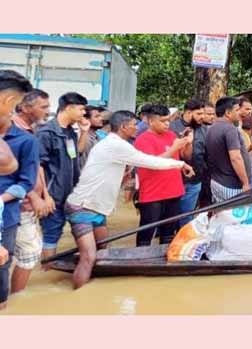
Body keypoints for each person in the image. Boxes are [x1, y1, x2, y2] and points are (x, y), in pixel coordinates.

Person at [65, 111, 193, 288]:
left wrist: (126, 179)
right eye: (134, 124)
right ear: (124, 127)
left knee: (103, 251)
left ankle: (95, 291)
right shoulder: (116, 145)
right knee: (89, 257)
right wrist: (180, 163)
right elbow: (151, 162)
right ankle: (77, 298)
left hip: (97, 208)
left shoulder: (115, 144)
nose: (137, 127)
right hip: (83, 207)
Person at [0, 69, 37, 311]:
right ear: (9, 101)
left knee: (3, 266)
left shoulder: (25, 141)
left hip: (7, 216)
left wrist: (2, 199)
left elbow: (27, 182)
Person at [10, 89, 53, 294]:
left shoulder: (30, 131)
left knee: (23, 252)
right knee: (28, 252)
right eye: (43, 107)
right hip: (16, 204)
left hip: (27, 203)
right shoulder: (14, 132)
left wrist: (45, 193)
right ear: (25, 108)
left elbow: (37, 167)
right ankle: (15, 299)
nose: (48, 111)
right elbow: (13, 171)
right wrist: (34, 195)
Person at [37, 92, 88, 261]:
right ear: (69, 108)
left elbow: (76, 153)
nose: (83, 114)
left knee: (71, 229)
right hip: (53, 195)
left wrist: (84, 132)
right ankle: (46, 271)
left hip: (69, 194)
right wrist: (45, 195)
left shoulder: (69, 132)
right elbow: (38, 166)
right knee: (51, 233)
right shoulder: (47, 133)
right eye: (81, 110)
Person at [134, 104, 192, 246]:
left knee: (169, 229)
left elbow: (184, 156)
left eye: (168, 120)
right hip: (153, 192)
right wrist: (174, 148)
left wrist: (188, 143)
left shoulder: (171, 135)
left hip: (173, 189)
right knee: (148, 228)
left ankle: (164, 258)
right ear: (150, 121)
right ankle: (141, 259)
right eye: (162, 121)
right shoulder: (143, 139)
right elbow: (153, 162)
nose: (167, 124)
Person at [206, 97, 250, 203]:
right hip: (231, 186)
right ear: (228, 113)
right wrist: (245, 183)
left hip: (217, 182)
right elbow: (236, 158)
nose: (239, 113)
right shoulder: (230, 129)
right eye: (237, 110)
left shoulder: (211, 128)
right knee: (234, 216)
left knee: (222, 215)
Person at [178, 99, 209, 227]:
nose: (203, 117)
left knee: (187, 216)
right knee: (171, 216)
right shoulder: (173, 127)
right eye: (199, 114)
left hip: (196, 180)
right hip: (176, 180)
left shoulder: (203, 129)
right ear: (189, 112)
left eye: (203, 113)